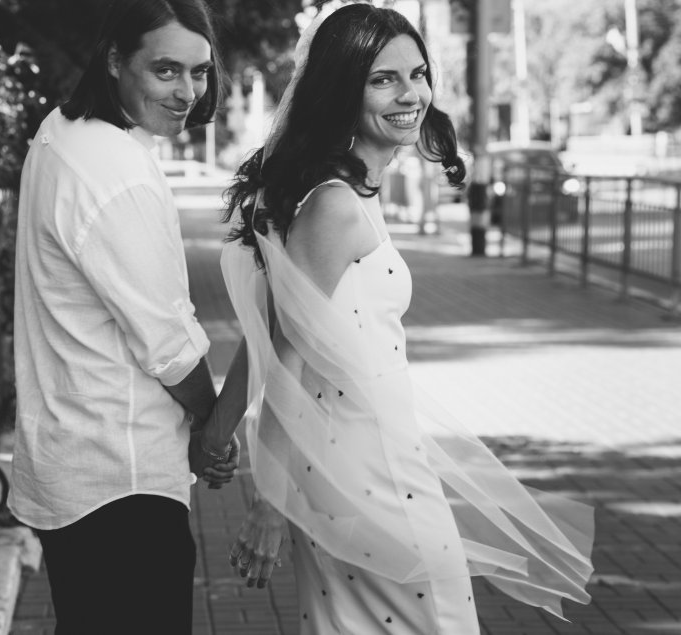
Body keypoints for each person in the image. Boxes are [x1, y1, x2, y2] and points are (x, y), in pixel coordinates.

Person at [219, 3, 595, 633]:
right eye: (383, 79)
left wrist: (220, 433)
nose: (411, 94)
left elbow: (274, 327)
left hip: (367, 462)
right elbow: (288, 352)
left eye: (417, 74)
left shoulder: (345, 194)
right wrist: (269, 499)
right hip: (364, 475)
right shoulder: (335, 206)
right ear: (343, 90)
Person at [8, 1, 247, 632]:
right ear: (115, 58)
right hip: (122, 481)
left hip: (81, 466)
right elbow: (167, 342)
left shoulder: (63, 130)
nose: (187, 91)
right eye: (166, 69)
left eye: (199, 71)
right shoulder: (116, 171)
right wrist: (212, 427)